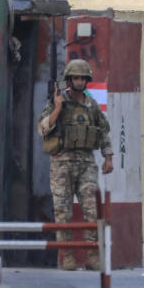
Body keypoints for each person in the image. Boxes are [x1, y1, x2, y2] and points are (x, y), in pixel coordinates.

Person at [37, 59, 113, 270]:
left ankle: (92, 255)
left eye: (82, 78)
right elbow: (42, 128)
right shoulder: (57, 102)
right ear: (69, 80)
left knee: (91, 211)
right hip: (62, 162)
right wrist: (58, 108)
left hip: (86, 162)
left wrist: (108, 157)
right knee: (63, 212)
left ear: (87, 80)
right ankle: (67, 255)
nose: (79, 81)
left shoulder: (92, 105)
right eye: (75, 78)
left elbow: (103, 131)